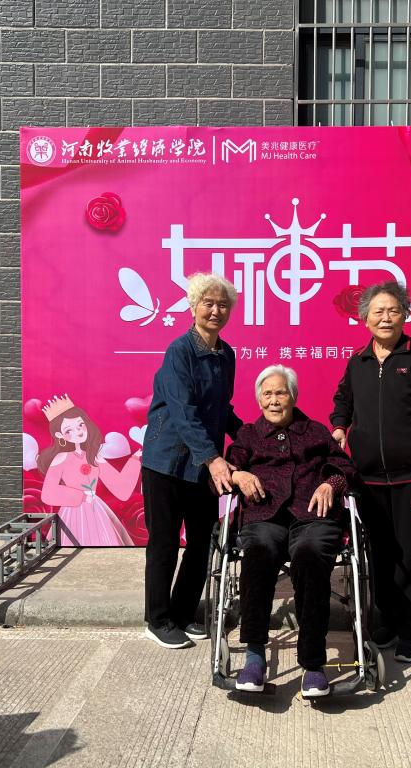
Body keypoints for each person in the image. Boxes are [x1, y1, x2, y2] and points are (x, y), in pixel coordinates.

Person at [330, 281, 411, 663]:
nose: (385, 318)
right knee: (379, 554)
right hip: (367, 478)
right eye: (378, 312)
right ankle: (384, 621)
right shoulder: (358, 361)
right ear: (364, 319)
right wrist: (339, 426)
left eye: (393, 310)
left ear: (405, 315)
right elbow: (343, 401)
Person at [227, 365, 358, 698]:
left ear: (293, 397)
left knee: (311, 554)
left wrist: (331, 483)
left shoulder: (314, 431)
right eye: (267, 394)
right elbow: (227, 471)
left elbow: (345, 467)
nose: (274, 400)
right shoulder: (248, 435)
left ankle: (313, 665)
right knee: (259, 551)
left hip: (313, 515)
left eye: (281, 393)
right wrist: (239, 476)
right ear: (259, 399)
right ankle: (254, 656)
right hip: (264, 516)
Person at [142, 273, 242, 649]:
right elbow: (184, 412)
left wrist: (251, 437)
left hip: (201, 465)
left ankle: (183, 612)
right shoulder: (179, 352)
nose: (215, 311)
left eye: (222, 305)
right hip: (166, 463)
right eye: (208, 303)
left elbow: (221, 409)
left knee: (202, 542)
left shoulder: (226, 355)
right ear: (193, 306)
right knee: (165, 543)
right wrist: (214, 459)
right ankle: (157, 619)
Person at [38, 397, 140, 546]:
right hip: (72, 511)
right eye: (69, 430)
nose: (78, 431)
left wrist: (135, 459)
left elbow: (120, 487)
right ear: (60, 435)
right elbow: (48, 493)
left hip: (96, 509)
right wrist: (82, 496)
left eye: (80, 425)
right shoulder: (61, 458)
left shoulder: (94, 456)